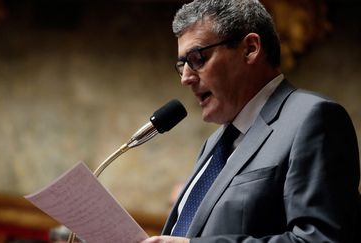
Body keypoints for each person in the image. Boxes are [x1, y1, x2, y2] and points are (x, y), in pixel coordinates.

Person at [141, 0, 360, 242]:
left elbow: (320, 239)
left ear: (250, 49)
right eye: (182, 65)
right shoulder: (215, 144)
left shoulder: (313, 118)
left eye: (197, 58)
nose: (185, 78)